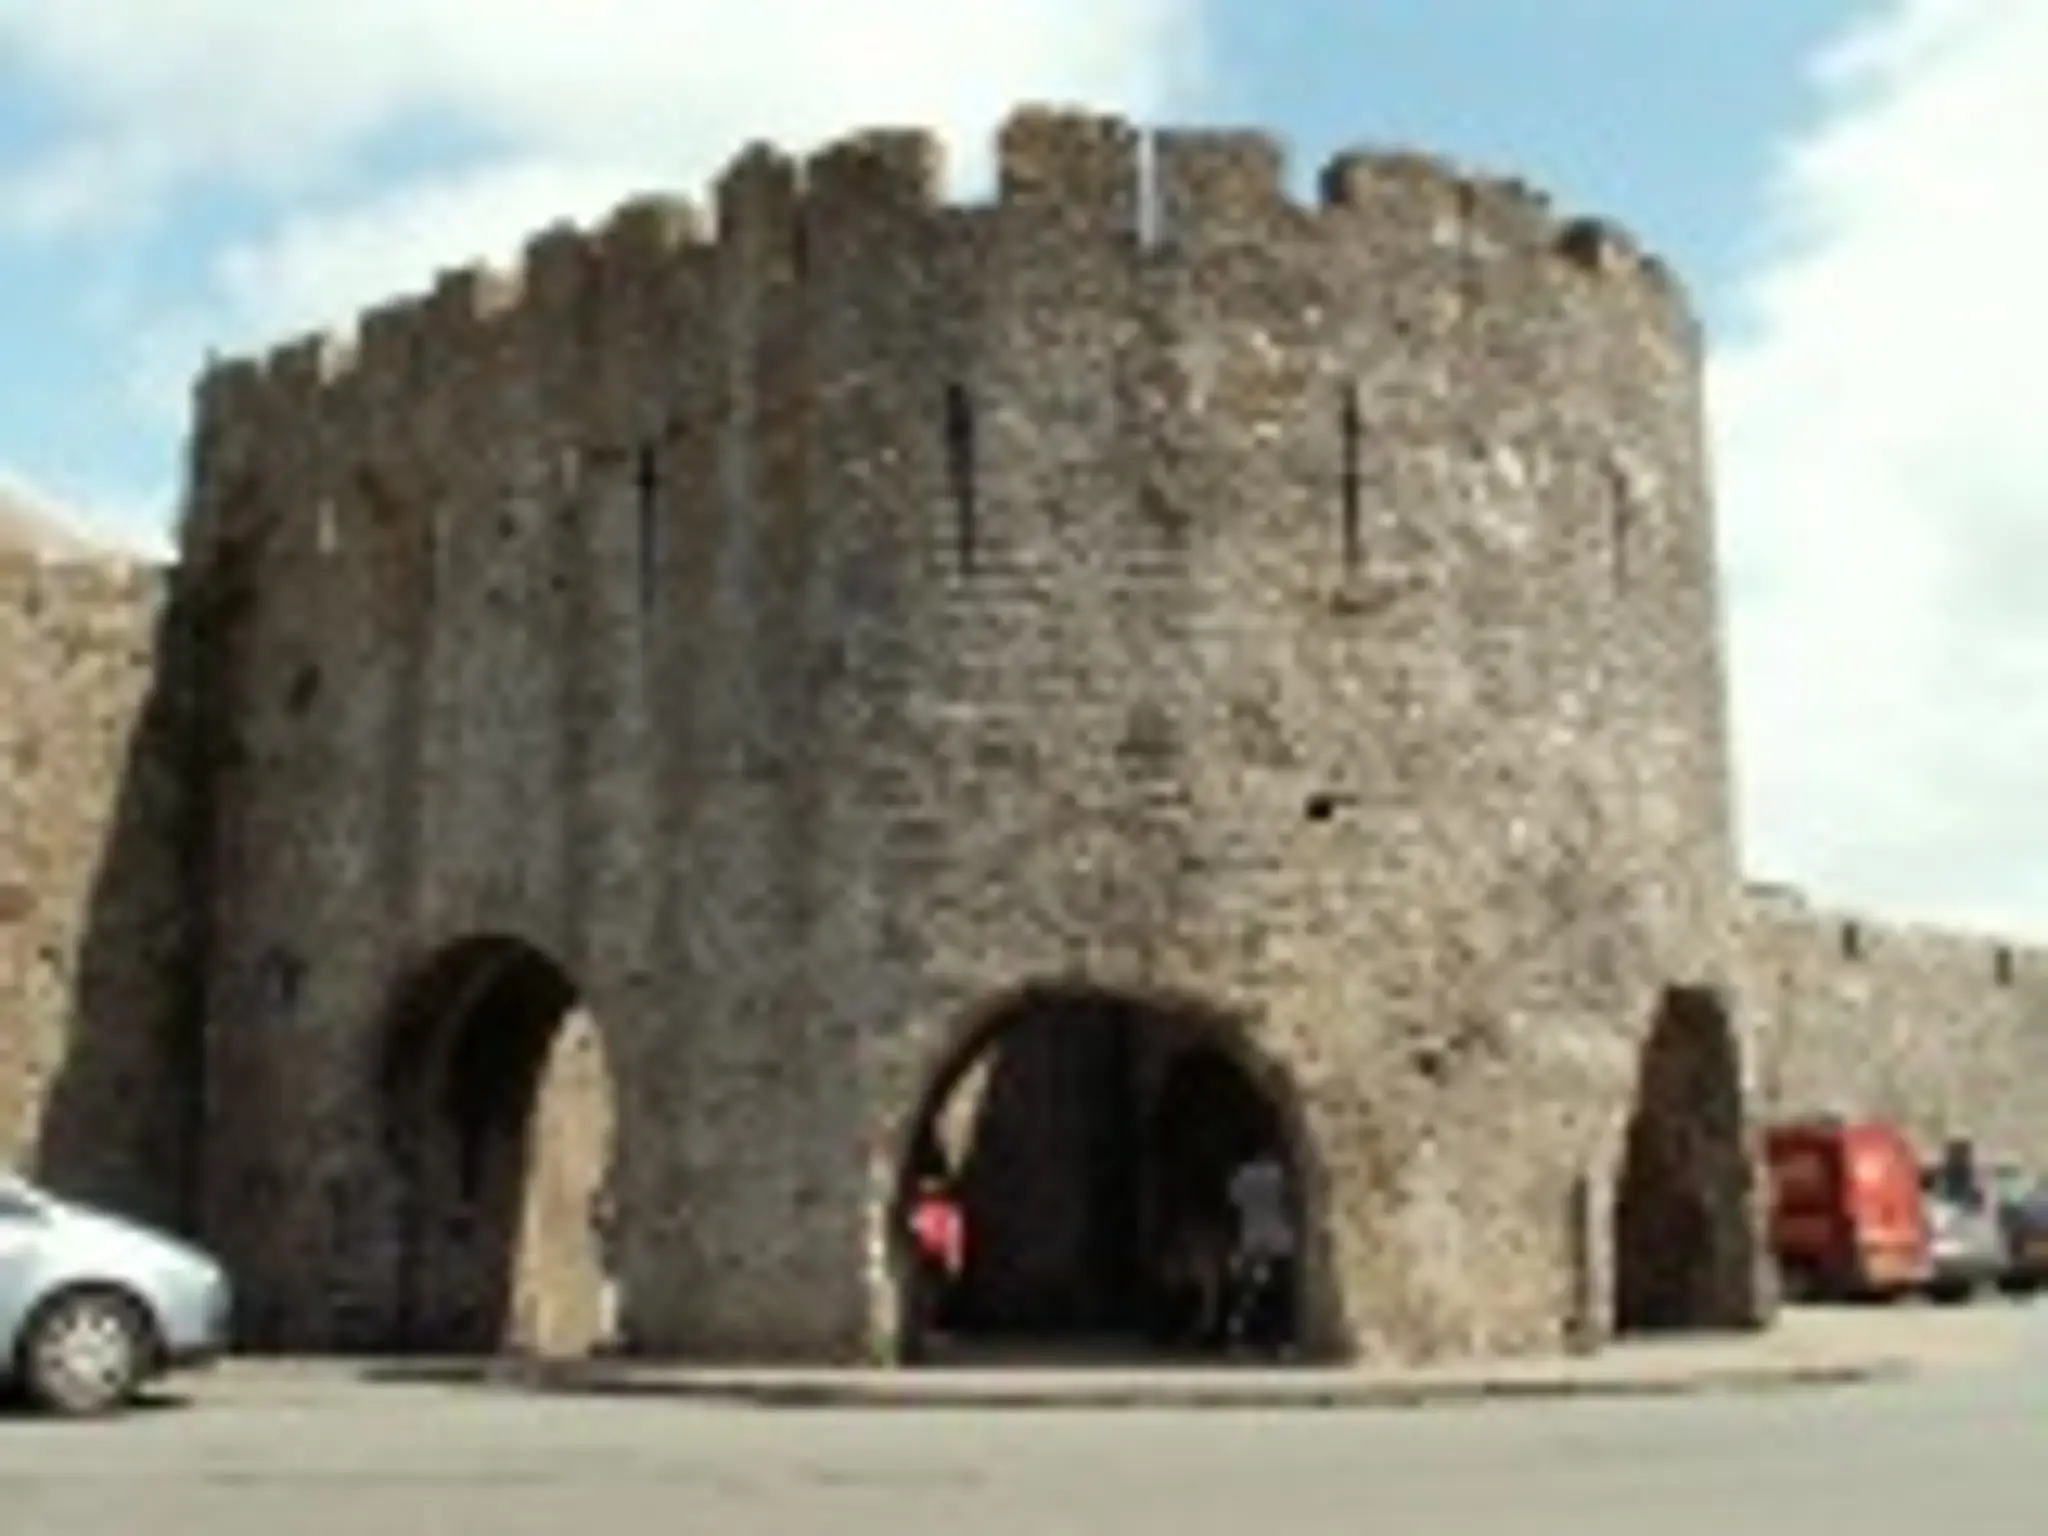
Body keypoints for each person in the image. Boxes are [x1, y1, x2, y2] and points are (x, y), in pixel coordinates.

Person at [1223, 1149, 1295, 1355]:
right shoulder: (1279, 1173)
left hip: (1252, 1237)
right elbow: (1290, 1198)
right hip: (1279, 1239)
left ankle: (1241, 1337)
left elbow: (1234, 1203)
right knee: (1277, 1293)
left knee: (1248, 1291)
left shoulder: (1242, 1175)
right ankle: (1279, 1341)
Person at [903, 1174, 966, 1361]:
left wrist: (954, 1258)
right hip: (927, 1257)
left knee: (928, 1296)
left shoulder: (938, 1211)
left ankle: (923, 1333)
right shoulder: (940, 1211)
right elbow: (953, 1234)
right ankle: (921, 1333)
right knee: (925, 1297)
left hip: (931, 1257)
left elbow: (952, 1234)